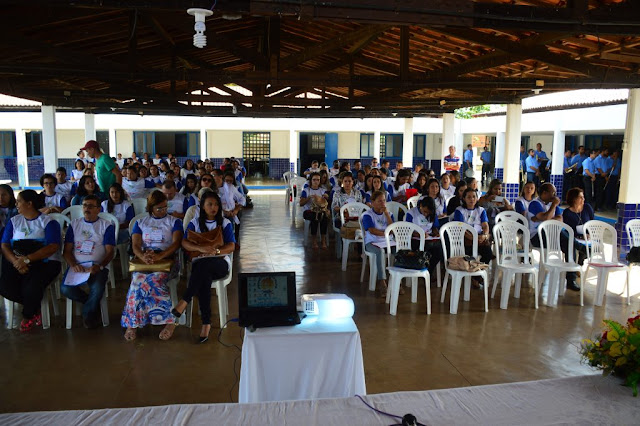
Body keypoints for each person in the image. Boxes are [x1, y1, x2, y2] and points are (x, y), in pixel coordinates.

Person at [171, 191, 236, 343]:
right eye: (210, 204)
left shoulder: (225, 223)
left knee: (203, 268)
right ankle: (206, 323)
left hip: (219, 263)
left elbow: (231, 246)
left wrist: (216, 251)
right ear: (202, 207)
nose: (213, 207)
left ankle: (185, 301)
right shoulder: (194, 223)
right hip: (201, 262)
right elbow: (184, 243)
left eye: (216, 204)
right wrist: (202, 250)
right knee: (204, 277)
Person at [122, 191, 183, 341]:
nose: (163, 211)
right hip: (146, 260)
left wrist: (159, 256)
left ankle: (170, 321)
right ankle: (133, 323)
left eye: (165, 207)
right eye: (159, 208)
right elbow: (135, 244)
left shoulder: (174, 222)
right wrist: (143, 256)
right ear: (151, 208)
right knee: (136, 282)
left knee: (154, 280)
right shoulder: (141, 223)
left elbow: (176, 244)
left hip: (166, 260)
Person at [0, 190, 61, 332]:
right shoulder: (14, 221)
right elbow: (4, 245)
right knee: (5, 286)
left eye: (19, 201)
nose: (16, 204)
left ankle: (27, 315)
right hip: (18, 261)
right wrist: (16, 262)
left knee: (32, 285)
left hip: (45, 262)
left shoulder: (48, 222)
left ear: (29, 203)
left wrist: (27, 260)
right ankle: (35, 308)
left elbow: (53, 247)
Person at [61, 195, 115, 329]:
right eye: (84, 205)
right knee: (65, 289)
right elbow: (67, 251)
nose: (86, 209)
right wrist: (73, 265)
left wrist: (100, 266)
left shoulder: (106, 225)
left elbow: (110, 252)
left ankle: (88, 314)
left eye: (90, 206)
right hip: (78, 266)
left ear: (98, 209)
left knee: (97, 288)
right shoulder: (74, 224)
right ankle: (91, 305)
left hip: (97, 265)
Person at [527, 183, 579, 291]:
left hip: (552, 235)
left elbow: (560, 219)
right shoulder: (535, 204)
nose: (554, 195)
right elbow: (546, 217)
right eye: (552, 193)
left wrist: (547, 219)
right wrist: (553, 207)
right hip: (537, 237)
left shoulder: (552, 204)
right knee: (565, 237)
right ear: (544, 193)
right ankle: (579, 245)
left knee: (569, 243)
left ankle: (571, 279)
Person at [362, 190, 395, 297]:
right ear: (373, 202)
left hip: (387, 241)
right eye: (379, 201)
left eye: (384, 201)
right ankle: (382, 281)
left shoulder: (389, 214)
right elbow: (371, 230)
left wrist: (386, 214)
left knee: (397, 251)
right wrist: (385, 233)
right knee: (380, 252)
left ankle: (394, 279)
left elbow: (392, 229)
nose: (382, 203)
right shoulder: (368, 215)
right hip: (372, 242)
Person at [452, 188, 493, 268]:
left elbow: (485, 225)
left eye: (474, 197)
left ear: (477, 198)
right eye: (469, 197)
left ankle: (477, 273)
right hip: (465, 238)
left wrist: (484, 235)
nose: (472, 199)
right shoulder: (459, 211)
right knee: (468, 257)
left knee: (488, 254)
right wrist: (472, 238)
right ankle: (471, 272)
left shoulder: (481, 210)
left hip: (479, 238)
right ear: (464, 198)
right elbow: (460, 228)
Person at [405, 196, 443, 276]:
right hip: (415, 239)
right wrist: (419, 234)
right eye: (425, 211)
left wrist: (436, 232)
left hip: (428, 238)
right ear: (421, 206)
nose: (426, 214)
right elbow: (407, 230)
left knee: (439, 252)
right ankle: (422, 271)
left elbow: (434, 227)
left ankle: (429, 271)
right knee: (427, 249)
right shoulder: (411, 213)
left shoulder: (432, 214)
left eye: (428, 213)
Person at [562, 188, 594, 266]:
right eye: (580, 197)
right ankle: (574, 267)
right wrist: (579, 236)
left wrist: (589, 234)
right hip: (575, 237)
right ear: (574, 199)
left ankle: (580, 264)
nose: (583, 199)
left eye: (583, 197)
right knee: (572, 246)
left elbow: (592, 222)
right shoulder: (567, 212)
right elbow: (568, 229)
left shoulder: (587, 207)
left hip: (587, 237)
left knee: (590, 247)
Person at [300, 172, 329, 249]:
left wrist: (325, 197)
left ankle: (323, 240)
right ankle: (314, 240)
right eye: (314, 180)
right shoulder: (306, 190)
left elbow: (326, 202)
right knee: (314, 217)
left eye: (318, 180)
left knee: (324, 217)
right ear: (311, 181)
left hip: (320, 210)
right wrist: (308, 198)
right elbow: (301, 203)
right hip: (308, 211)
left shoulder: (323, 190)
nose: (316, 182)